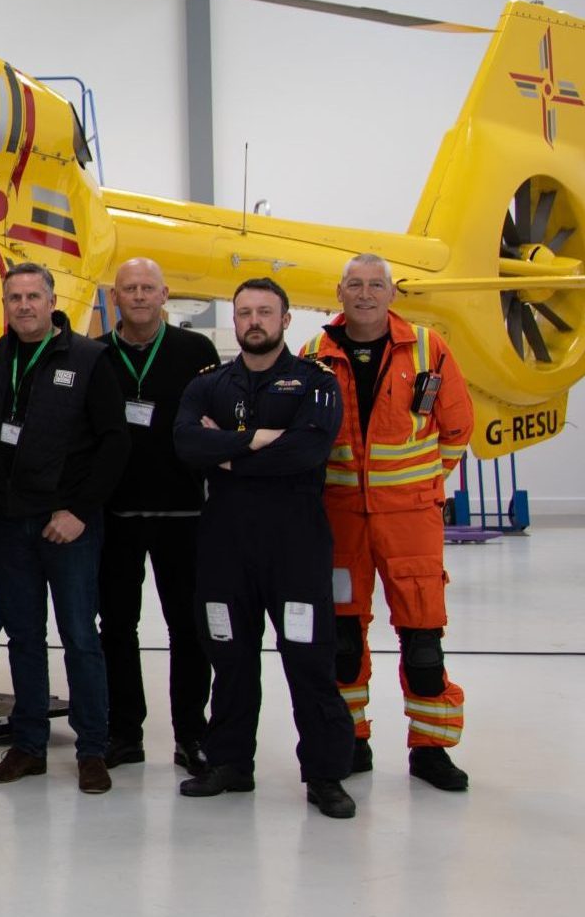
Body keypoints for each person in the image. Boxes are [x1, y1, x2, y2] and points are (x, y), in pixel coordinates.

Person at [172, 277, 357, 818]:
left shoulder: (315, 382)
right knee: (228, 657)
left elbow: (307, 450)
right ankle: (230, 763)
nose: (254, 320)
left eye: (265, 312)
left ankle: (325, 775)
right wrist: (257, 439)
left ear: (284, 320)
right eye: (245, 312)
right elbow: (186, 442)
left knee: (309, 660)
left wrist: (225, 452)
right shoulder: (208, 384)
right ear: (234, 321)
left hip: (295, 548)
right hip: (225, 548)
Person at [299, 253, 475, 792]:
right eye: (356, 284)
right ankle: (351, 740)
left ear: (392, 293)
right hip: (340, 521)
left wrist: (418, 488)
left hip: (410, 523)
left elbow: (457, 429)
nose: (366, 293)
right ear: (339, 291)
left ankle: (430, 751)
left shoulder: (429, 348)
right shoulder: (314, 354)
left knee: (423, 640)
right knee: (344, 638)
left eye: (376, 284)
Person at [0, 262, 129, 794]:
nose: (23, 306)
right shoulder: (0, 359)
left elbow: (115, 442)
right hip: (13, 522)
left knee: (80, 637)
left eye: (33, 297)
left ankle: (92, 749)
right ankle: (29, 745)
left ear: (51, 301)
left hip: (68, 525)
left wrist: (80, 511)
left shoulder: (90, 359)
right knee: (22, 637)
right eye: (14, 297)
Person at [93, 258, 222, 774]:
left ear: (165, 294)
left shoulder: (197, 352)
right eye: (130, 288)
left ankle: (192, 733)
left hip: (184, 513)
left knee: (189, 629)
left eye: (148, 287)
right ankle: (125, 732)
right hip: (117, 516)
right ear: (115, 296)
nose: (140, 296)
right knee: (117, 627)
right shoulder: (96, 354)